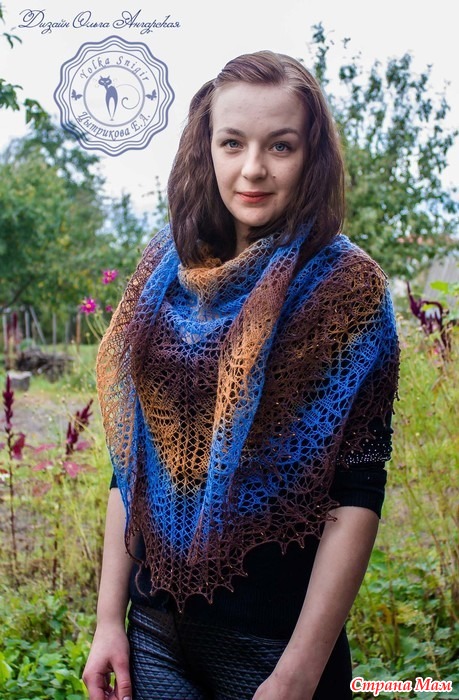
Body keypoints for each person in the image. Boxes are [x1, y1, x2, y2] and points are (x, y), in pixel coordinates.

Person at [83, 50, 399, 700]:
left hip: (272, 646)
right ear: (206, 148)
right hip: (153, 635)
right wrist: (109, 619)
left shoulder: (347, 290)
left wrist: (299, 672)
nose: (253, 168)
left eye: (280, 146)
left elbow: (356, 492)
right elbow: (132, 465)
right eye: (232, 143)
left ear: (311, 155)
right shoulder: (162, 270)